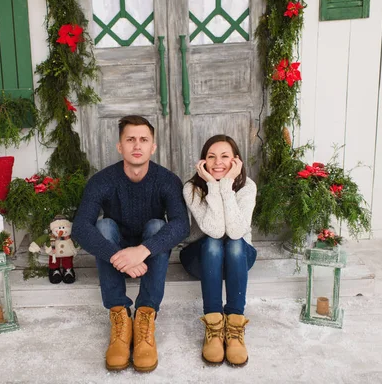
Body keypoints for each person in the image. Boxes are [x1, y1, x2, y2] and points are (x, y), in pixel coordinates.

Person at [72, 115, 189, 372]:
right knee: (103, 226)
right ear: (120, 146)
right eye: (130, 139)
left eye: (144, 140)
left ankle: (146, 314)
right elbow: (80, 227)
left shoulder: (167, 180)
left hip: (148, 246)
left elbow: (181, 224)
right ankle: (120, 316)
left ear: (153, 147)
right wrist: (119, 257)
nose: (137, 145)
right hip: (118, 244)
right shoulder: (102, 180)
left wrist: (142, 251)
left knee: (159, 226)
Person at [179, 134, 257, 366]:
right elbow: (213, 230)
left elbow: (235, 232)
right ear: (203, 162)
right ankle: (213, 326)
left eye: (225, 156)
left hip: (238, 257)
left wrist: (226, 187)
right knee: (214, 242)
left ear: (236, 161)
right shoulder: (192, 188)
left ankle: (234, 326)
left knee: (233, 242)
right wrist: (213, 186)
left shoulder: (247, 187)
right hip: (201, 259)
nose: (217, 162)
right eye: (211, 157)